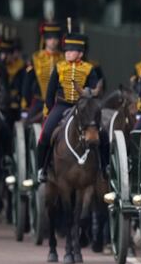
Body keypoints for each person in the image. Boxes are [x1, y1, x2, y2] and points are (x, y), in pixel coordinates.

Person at [36, 33, 100, 182]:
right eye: (66, 51)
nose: (67, 53)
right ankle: (42, 168)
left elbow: (94, 92)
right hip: (61, 105)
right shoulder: (59, 68)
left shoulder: (89, 69)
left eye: (72, 51)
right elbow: (50, 92)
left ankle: (103, 168)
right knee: (45, 134)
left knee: (100, 136)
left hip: (82, 107)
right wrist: (48, 110)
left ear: (81, 54)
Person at [23, 21, 63, 120]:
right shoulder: (36, 57)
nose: (53, 41)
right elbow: (28, 82)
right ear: (45, 40)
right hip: (40, 102)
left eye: (55, 38)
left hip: (58, 103)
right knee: (27, 123)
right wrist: (26, 103)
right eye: (49, 38)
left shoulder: (63, 58)